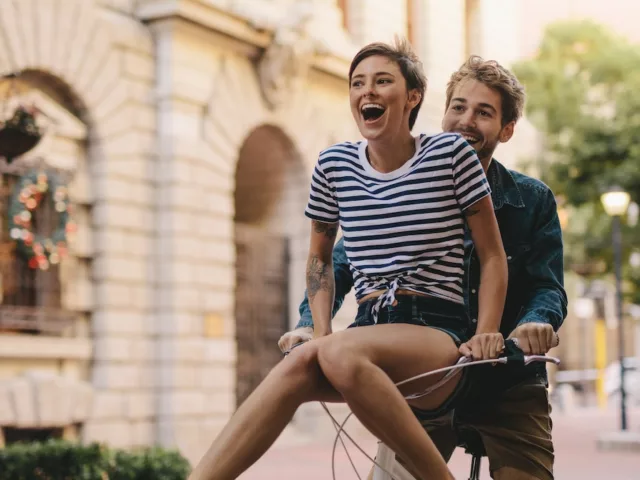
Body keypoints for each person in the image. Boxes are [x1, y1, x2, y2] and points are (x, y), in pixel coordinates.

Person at [190, 40, 508, 480]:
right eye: (358, 83)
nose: (367, 92)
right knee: (300, 363)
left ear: (412, 97)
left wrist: (486, 332)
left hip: (435, 331)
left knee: (336, 350)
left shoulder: (450, 155)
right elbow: (319, 259)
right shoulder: (334, 164)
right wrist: (320, 333)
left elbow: (492, 255)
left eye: (382, 81)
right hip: (367, 330)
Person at [280, 55, 567, 480]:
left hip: (505, 378)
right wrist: (309, 325)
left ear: (506, 130)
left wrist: (534, 323)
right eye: (458, 107)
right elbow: (339, 263)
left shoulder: (532, 198)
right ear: (442, 111)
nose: (467, 120)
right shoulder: (410, 180)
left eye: (484, 112)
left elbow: (547, 285)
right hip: (425, 376)